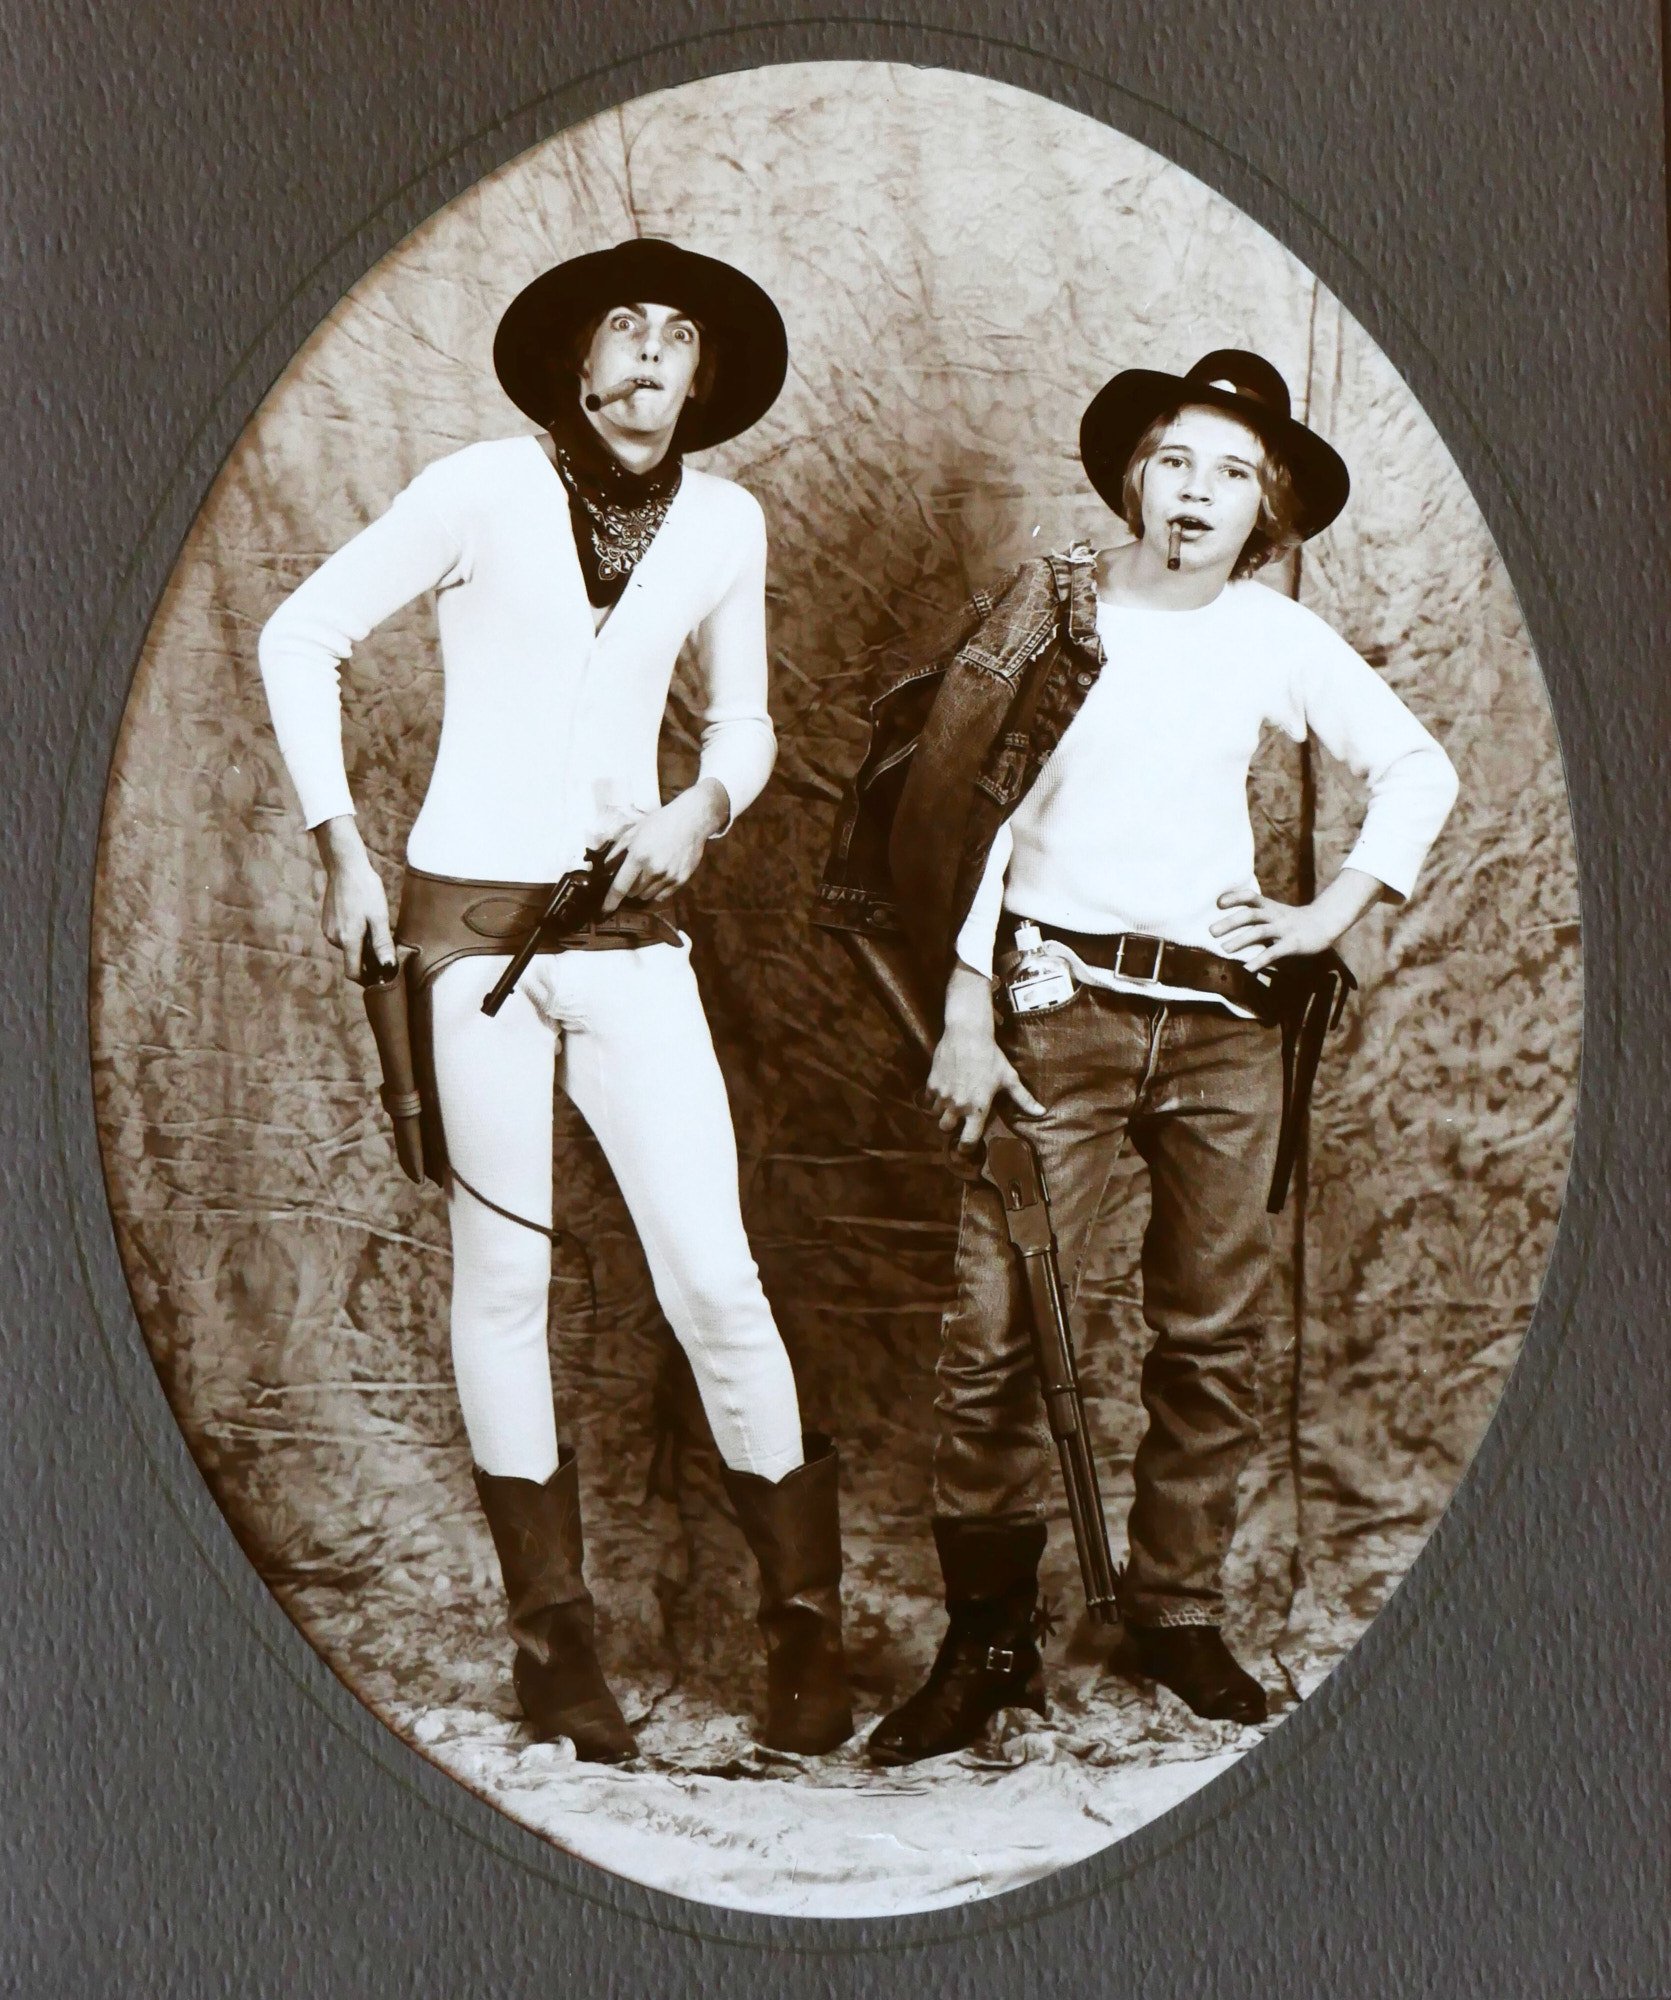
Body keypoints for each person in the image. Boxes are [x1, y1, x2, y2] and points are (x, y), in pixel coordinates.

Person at [257, 237, 852, 1764]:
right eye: (623, 328)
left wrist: (699, 810)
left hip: (629, 935)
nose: (650, 351)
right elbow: (299, 633)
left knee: (715, 1279)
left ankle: (805, 1633)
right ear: (577, 361)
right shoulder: (479, 489)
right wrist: (341, 850)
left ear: (703, 376)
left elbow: (748, 721)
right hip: (468, 941)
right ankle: (554, 1650)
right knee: (504, 1284)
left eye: (678, 334)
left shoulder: (724, 520)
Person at [855, 350, 1459, 1764]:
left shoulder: (1272, 634)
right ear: (1137, 478)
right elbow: (968, 815)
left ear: (1267, 508)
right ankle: (987, 1640)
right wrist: (965, 1011)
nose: (1198, 490)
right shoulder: (1048, 612)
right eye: (1177, 460)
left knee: (1210, 1334)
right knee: (997, 1335)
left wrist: (1323, 914)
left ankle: (1177, 1609)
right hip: (1054, 1009)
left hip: (1225, 1030)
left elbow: (1418, 768)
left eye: (1233, 472)